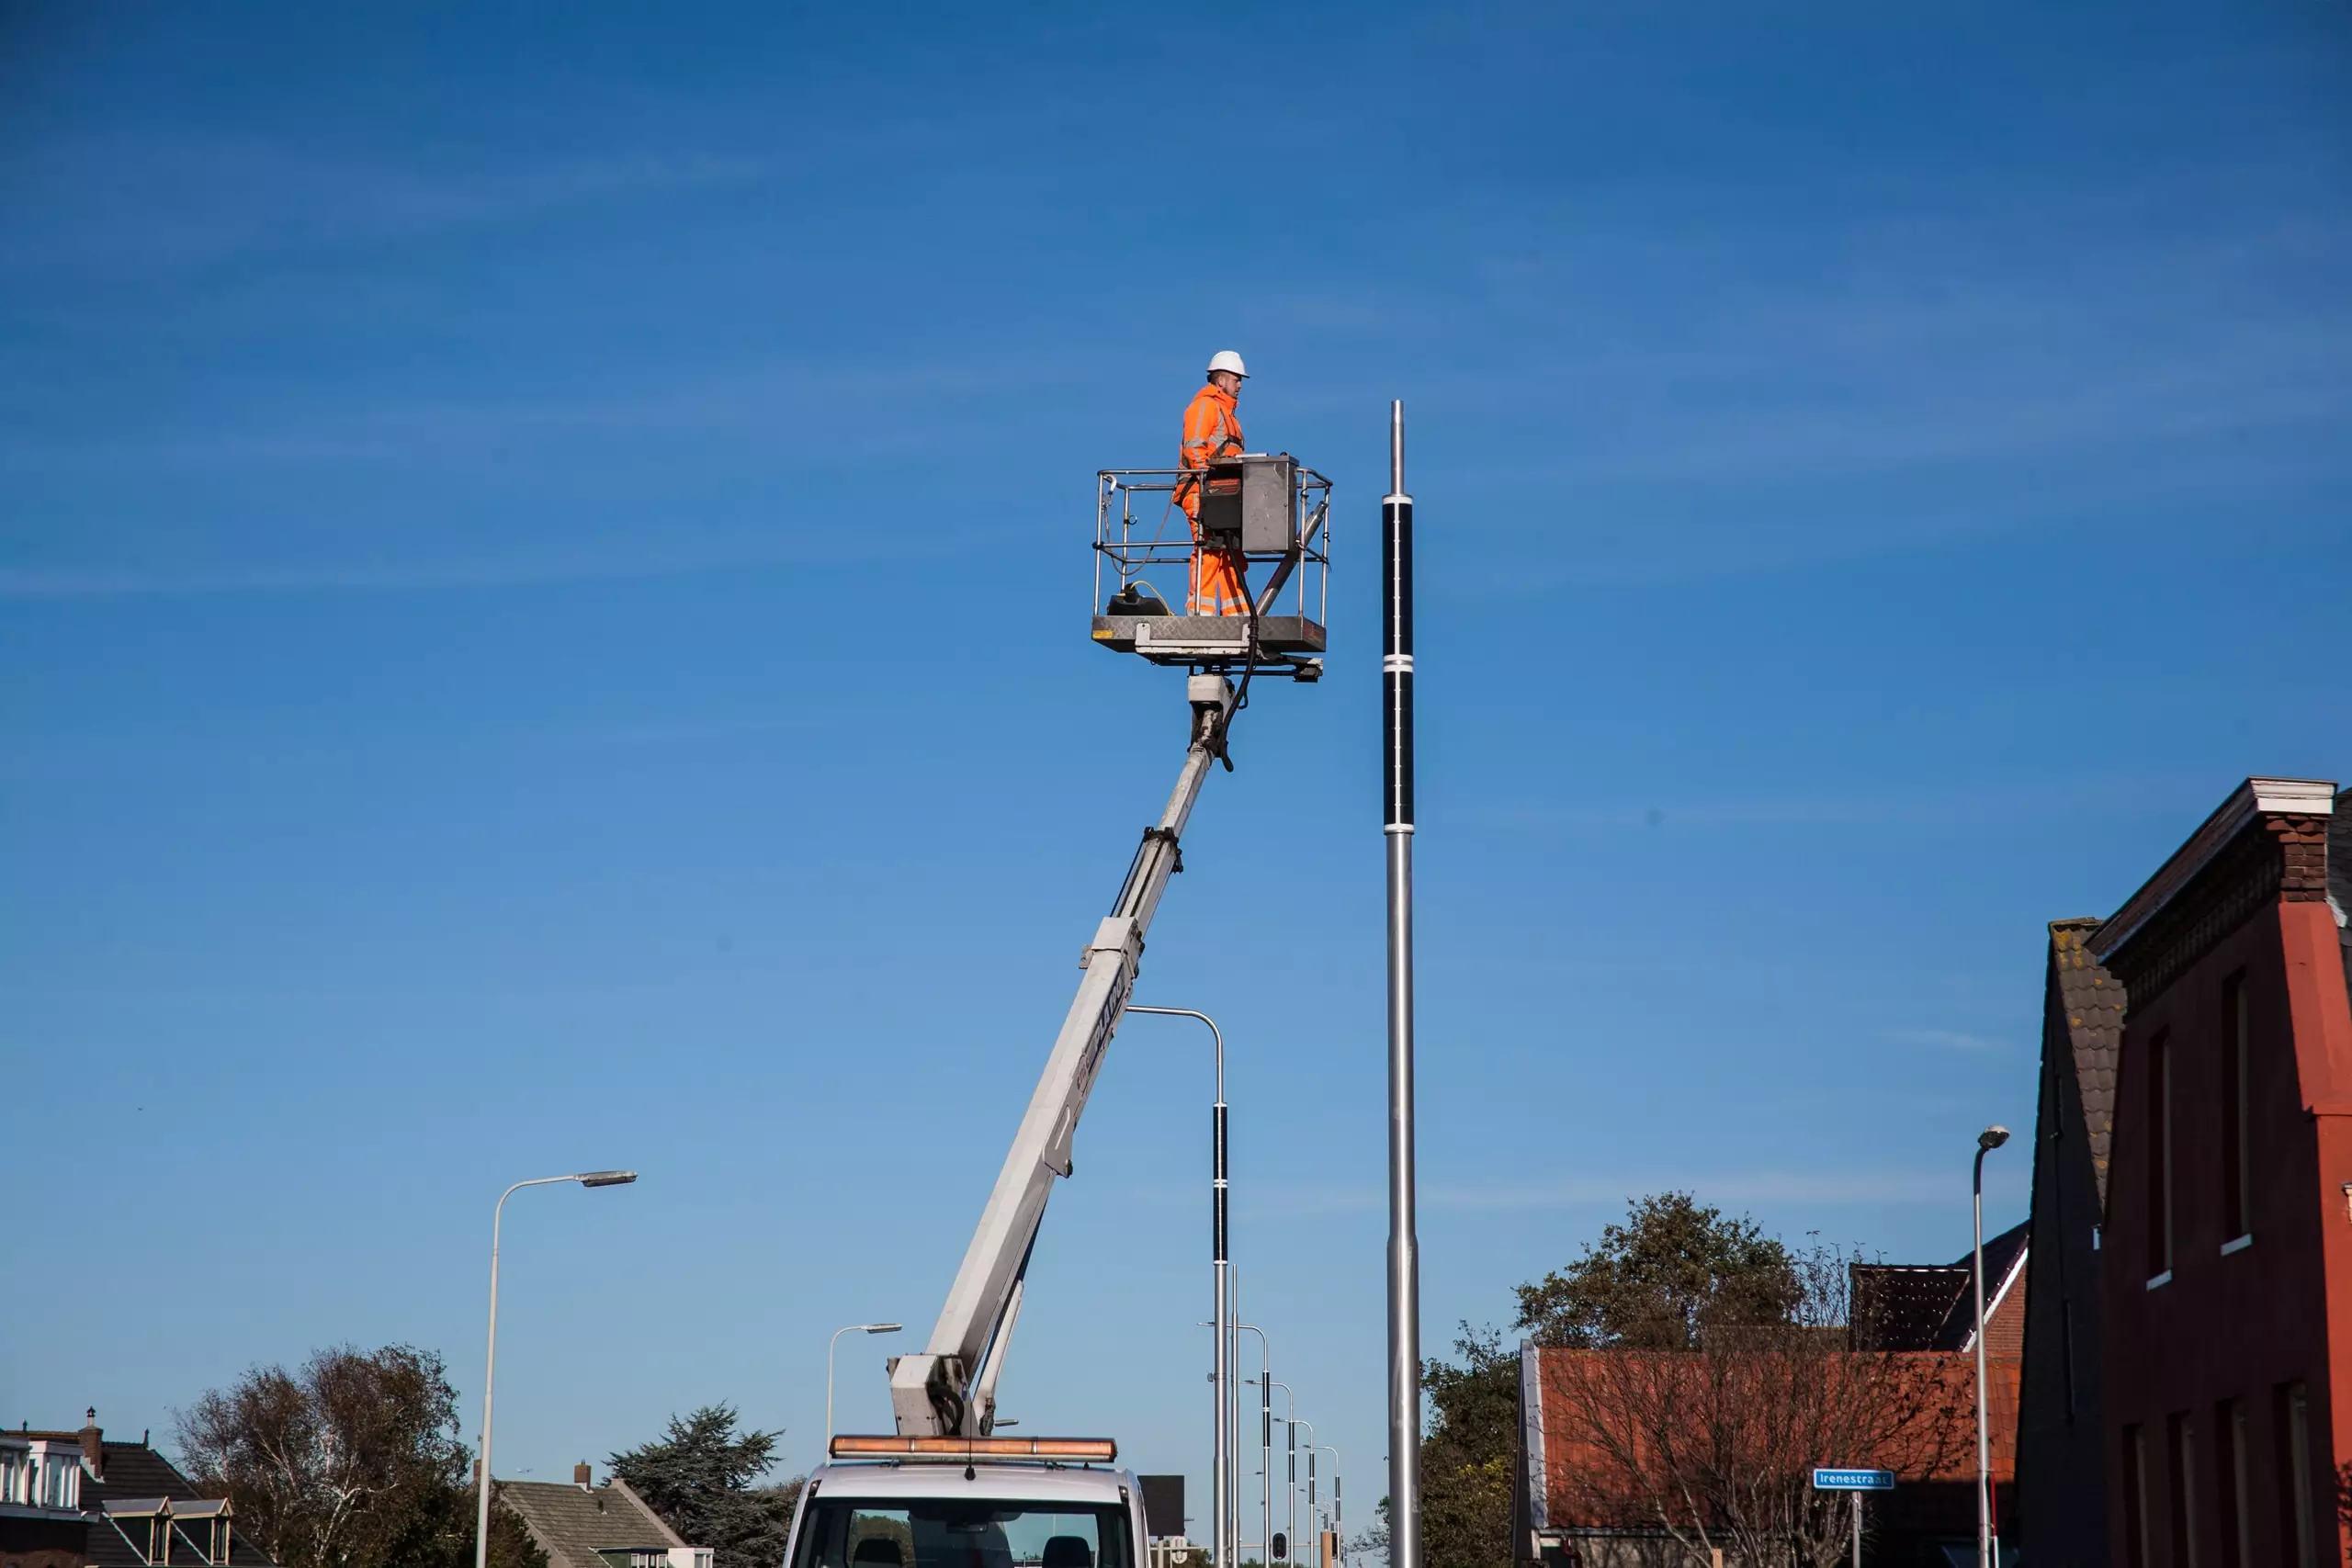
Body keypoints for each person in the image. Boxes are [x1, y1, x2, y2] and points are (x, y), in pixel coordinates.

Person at [1176, 350, 1250, 615]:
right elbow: (1194, 448)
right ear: (1221, 380)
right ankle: (1200, 613)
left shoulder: (1230, 416)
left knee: (1231, 553)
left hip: (1225, 495)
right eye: (1236, 379)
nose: (1240, 385)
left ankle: (1237, 615)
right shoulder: (1205, 406)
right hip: (1200, 491)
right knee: (1207, 549)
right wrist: (1209, 480)